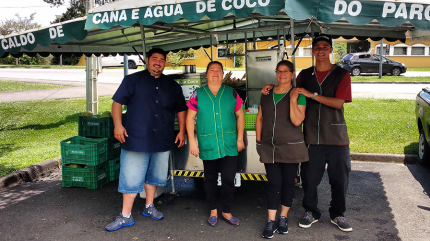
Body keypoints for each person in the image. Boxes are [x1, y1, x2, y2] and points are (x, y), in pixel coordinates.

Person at [261, 35, 353, 232]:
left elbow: (339, 103)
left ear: (330, 50)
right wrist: (269, 86)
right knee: (310, 179)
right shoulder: (305, 75)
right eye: (317, 47)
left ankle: (338, 214)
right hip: (311, 136)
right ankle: (310, 211)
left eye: (325, 47)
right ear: (312, 50)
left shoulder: (342, 75)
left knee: (340, 178)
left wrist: (313, 95)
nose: (321, 50)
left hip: (337, 136)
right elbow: (287, 87)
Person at [105, 48, 187, 231]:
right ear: (147, 60)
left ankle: (149, 206)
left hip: (162, 138)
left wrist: (181, 131)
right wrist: (118, 125)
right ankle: (125, 215)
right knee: (131, 176)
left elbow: (181, 109)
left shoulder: (172, 85)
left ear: (165, 63)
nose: (158, 62)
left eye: (162, 60)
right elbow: (117, 102)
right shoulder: (132, 80)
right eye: (155, 59)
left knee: (155, 176)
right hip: (136, 138)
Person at [186, 61, 245, 227]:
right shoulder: (198, 93)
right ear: (206, 74)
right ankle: (213, 210)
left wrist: (240, 138)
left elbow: (240, 115)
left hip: (229, 143)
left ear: (222, 74)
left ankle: (226, 211)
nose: (215, 73)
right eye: (212, 70)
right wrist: (192, 141)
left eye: (219, 70)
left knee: (228, 178)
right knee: (210, 179)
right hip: (208, 142)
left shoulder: (231, 93)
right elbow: (190, 118)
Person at [256, 60, 309, 239]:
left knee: (288, 183)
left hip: (291, 147)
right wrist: (258, 141)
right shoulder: (267, 93)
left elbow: (297, 121)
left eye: (286, 71)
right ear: (276, 73)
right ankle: (271, 220)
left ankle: (283, 217)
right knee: (273, 183)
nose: (282, 74)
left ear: (293, 74)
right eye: (279, 71)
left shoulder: (298, 94)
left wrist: (293, 99)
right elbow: (260, 118)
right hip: (270, 146)